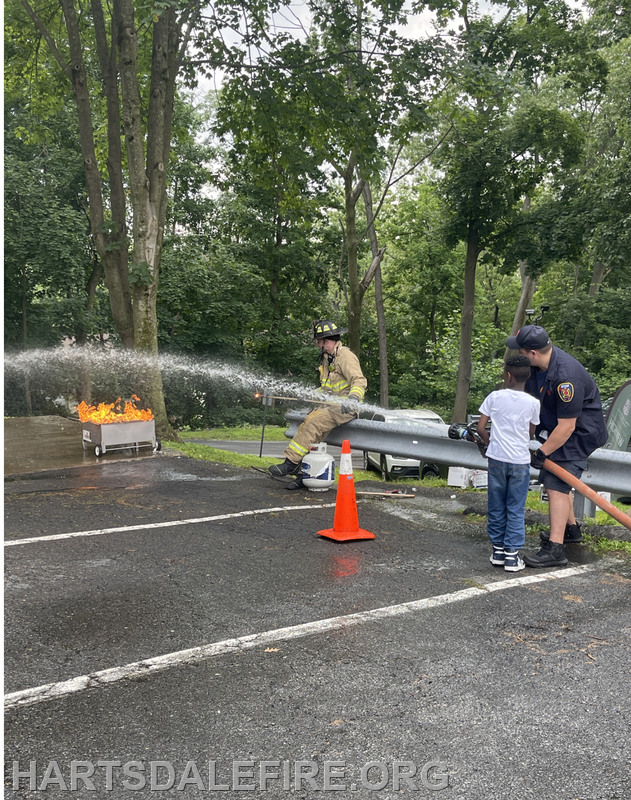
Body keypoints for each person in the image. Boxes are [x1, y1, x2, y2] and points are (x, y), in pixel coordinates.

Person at [505, 325, 608, 568]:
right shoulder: (539, 366)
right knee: (555, 479)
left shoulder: (566, 377)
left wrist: (542, 452)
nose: (516, 353)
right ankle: (571, 531)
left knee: (556, 485)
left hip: (579, 433)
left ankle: (555, 550)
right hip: (558, 429)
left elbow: (567, 427)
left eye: (519, 349)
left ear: (532, 352)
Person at [269, 320, 367, 483]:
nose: (317, 345)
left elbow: (359, 380)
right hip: (330, 407)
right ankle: (303, 475)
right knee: (308, 432)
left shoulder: (346, 357)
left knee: (312, 423)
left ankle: (291, 463)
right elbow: (326, 390)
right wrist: (307, 397)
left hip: (344, 409)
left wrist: (353, 399)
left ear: (327, 341)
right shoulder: (328, 359)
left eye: (318, 341)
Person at [477, 356, 541, 572]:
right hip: (520, 462)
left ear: (507, 375)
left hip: (496, 459)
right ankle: (512, 557)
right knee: (515, 508)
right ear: (528, 376)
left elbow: (480, 427)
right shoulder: (533, 403)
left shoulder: (495, 397)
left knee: (496, 505)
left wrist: (490, 442)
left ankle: (497, 551)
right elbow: (531, 431)